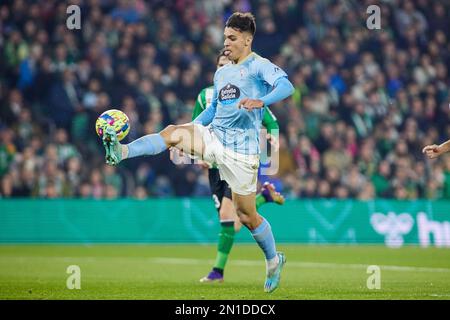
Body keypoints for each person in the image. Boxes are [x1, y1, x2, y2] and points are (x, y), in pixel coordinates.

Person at [101, 12, 294, 292]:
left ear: (247, 39)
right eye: (225, 37)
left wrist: (260, 101)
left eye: (232, 38)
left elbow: (286, 85)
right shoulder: (222, 71)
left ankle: (274, 260)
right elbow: (214, 109)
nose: (226, 42)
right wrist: (191, 128)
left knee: (246, 216)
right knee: (171, 133)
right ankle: (121, 151)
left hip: (242, 153)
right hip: (214, 138)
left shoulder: (258, 66)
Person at [193, 49, 285, 283]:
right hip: (215, 164)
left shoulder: (247, 90)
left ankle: (217, 272)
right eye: (221, 65)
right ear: (216, 70)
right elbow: (196, 127)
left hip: (239, 159)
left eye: (229, 64)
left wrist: (273, 137)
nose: (226, 68)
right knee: (234, 222)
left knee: (228, 215)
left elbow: (269, 120)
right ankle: (264, 198)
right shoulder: (205, 96)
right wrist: (197, 154)